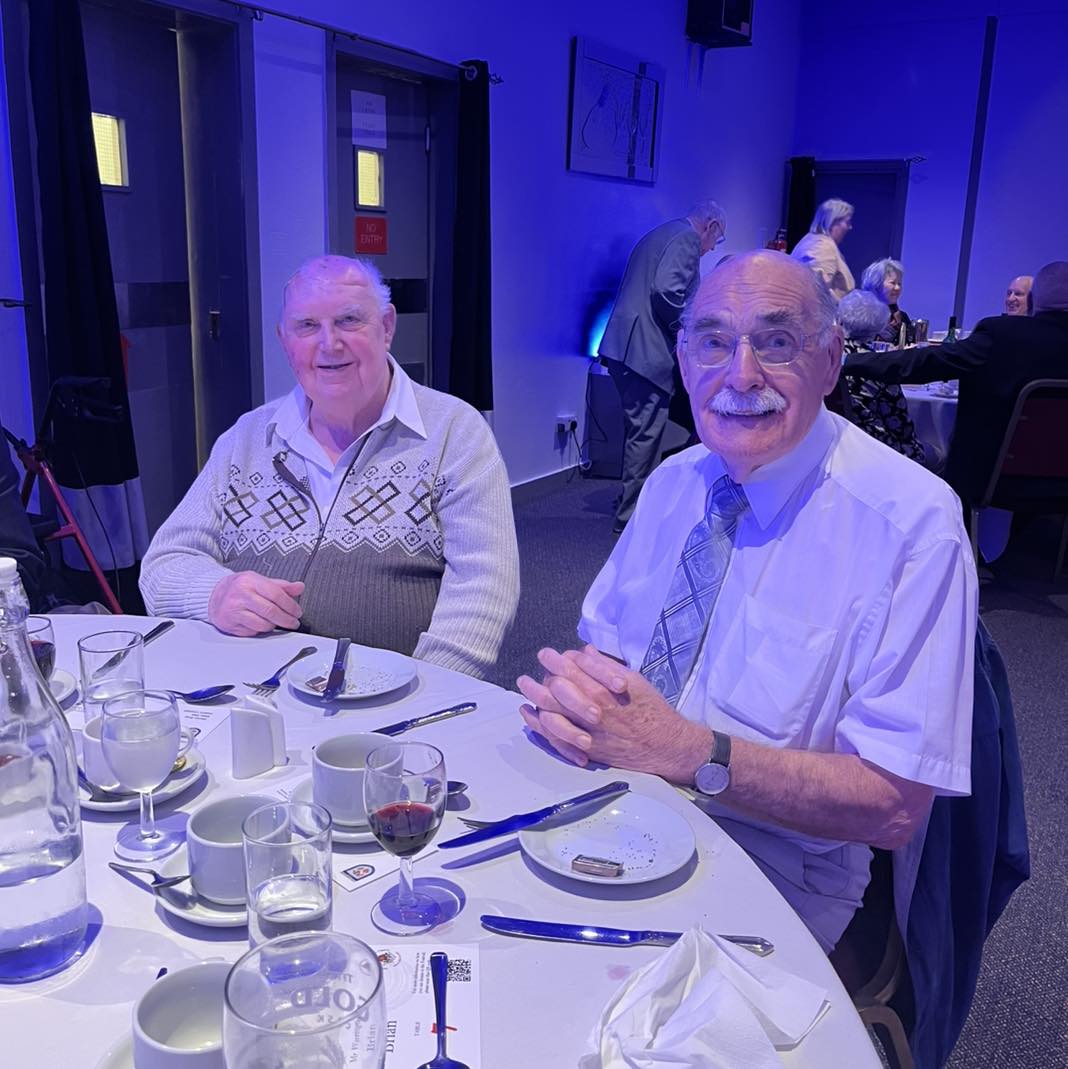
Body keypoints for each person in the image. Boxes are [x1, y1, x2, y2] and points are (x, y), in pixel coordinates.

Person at [517, 250, 976, 951]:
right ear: (683, 360)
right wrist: (576, 705)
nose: (740, 375)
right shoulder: (672, 485)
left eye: (777, 342)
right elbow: (605, 658)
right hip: (615, 809)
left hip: (775, 866)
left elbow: (892, 805)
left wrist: (688, 752)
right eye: (713, 343)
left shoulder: (912, 527)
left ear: (831, 361)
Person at [140, 255, 520, 679]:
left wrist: (425, 690)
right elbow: (163, 564)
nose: (329, 344)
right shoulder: (246, 438)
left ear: (387, 326)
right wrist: (214, 594)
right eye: (307, 326)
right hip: (251, 694)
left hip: (397, 699)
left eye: (349, 320)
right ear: (285, 341)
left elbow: (482, 590)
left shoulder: (454, 432)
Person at [845, 260, 1068, 509]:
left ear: (1034, 301)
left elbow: (926, 363)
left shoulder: (1001, 334)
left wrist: (850, 360)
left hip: (990, 478)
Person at [598, 200, 727, 533]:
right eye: (717, 239)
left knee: (641, 432)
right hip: (644, 351)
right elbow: (667, 292)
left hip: (627, 347)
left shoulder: (664, 232)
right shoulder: (686, 238)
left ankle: (633, 503)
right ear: (711, 226)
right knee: (645, 435)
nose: (712, 248)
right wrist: (689, 333)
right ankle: (632, 519)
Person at [837, 290, 930, 467]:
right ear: (879, 326)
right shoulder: (879, 366)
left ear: (840, 320)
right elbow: (902, 426)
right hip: (880, 452)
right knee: (938, 452)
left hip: (841, 446)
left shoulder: (830, 359)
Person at [790, 198, 855, 299]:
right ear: (833, 222)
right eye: (847, 222)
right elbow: (818, 292)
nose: (850, 227)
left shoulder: (813, 240)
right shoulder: (822, 247)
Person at [861, 257, 912, 344]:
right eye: (893, 283)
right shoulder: (863, 315)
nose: (897, 288)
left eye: (899, 284)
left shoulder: (902, 317)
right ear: (877, 284)